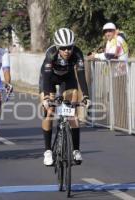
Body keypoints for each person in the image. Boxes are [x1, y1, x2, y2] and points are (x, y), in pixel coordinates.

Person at [39, 28, 90, 166]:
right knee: (49, 112)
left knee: (72, 113)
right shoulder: (51, 54)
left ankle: (76, 150)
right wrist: (46, 99)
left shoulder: (77, 53)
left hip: (67, 79)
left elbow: (80, 75)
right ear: (57, 47)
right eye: (63, 48)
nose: (67, 51)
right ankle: (48, 151)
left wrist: (85, 96)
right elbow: (47, 78)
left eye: (69, 47)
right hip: (50, 78)